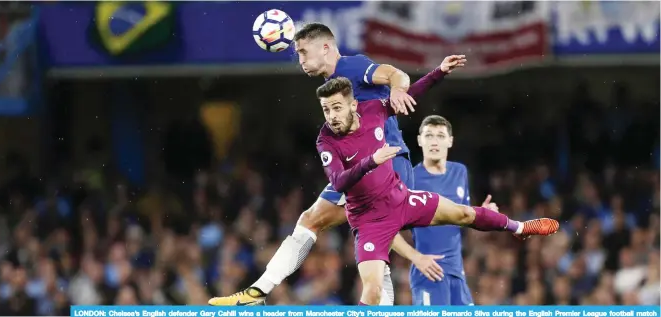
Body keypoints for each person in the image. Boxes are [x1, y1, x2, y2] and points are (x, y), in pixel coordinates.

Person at [208, 23, 466, 306]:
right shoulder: (334, 87)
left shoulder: (352, 67)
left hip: (387, 166)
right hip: (366, 166)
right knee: (332, 229)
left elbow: (397, 74)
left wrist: (397, 90)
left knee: (331, 227)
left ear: (326, 47)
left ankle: (258, 292)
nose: (301, 61)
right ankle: (258, 292)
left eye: (304, 52)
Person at [313, 77, 559, 305]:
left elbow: (410, 95)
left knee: (464, 213)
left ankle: (520, 228)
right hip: (370, 221)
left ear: (353, 104)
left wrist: (439, 72)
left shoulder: (374, 111)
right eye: (326, 110)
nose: (332, 116)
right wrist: (371, 161)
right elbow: (337, 182)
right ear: (419, 140)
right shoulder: (326, 140)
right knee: (373, 290)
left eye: (337, 108)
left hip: (402, 201)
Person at [392, 115, 481, 305]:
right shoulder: (410, 181)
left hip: (457, 274)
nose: (434, 141)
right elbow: (384, 228)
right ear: (419, 140)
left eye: (440, 136)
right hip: (429, 274)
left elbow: (460, 219)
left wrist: (482, 213)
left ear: (450, 141)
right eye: (429, 135)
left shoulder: (460, 172)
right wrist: (416, 257)